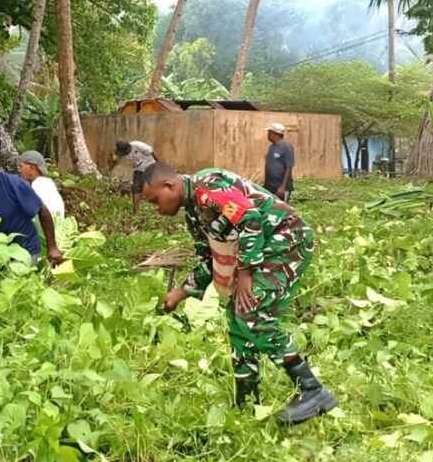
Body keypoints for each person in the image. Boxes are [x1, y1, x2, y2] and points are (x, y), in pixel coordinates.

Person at [140, 163, 336, 426]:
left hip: (285, 241)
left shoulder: (207, 187)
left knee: (251, 314)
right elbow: (209, 259)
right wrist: (181, 292)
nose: (156, 208)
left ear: (169, 186)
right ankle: (247, 403)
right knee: (236, 320)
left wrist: (245, 272)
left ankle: (314, 390)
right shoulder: (194, 214)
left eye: (155, 200)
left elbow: (250, 218)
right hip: (262, 250)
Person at [113, 139, 157, 212]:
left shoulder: (138, 145)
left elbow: (153, 152)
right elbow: (114, 160)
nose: (124, 155)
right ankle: (136, 210)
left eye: (125, 153)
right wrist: (110, 169)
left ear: (129, 148)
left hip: (150, 166)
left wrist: (159, 165)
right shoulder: (120, 152)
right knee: (135, 188)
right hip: (138, 169)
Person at [18, 150, 65, 218]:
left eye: (21, 166)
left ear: (32, 167)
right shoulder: (46, 184)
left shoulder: (39, 186)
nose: (20, 170)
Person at [263, 123, 294, 201]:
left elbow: (289, 167)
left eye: (269, 133)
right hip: (270, 186)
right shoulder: (272, 146)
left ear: (274, 134)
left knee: (281, 210)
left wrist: (282, 187)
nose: (268, 135)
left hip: (280, 187)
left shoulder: (287, 147)